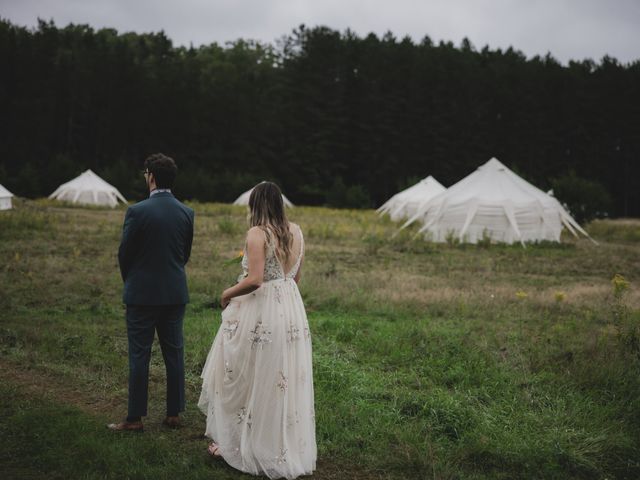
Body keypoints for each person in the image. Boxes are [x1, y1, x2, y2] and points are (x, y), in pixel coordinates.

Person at [198, 182, 316, 479]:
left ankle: (239, 445)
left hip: (261, 309)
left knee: (244, 375)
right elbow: (295, 277)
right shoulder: (297, 232)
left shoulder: (257, 233)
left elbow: (255, 279)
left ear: (255, 204)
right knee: (280, 379)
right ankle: (278, 445)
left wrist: (226, 293)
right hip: (290, 309)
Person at [108, 153, 195, 432]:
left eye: (146, 174)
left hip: (142, 294)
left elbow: (125, 254)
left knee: (139, 355)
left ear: (152, 177)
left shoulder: (137, 211)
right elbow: (185, 254)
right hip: (174, 292)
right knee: (174, 353)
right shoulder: (186, 212)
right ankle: (173, 414)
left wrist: (131, 281)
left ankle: (134, 418)